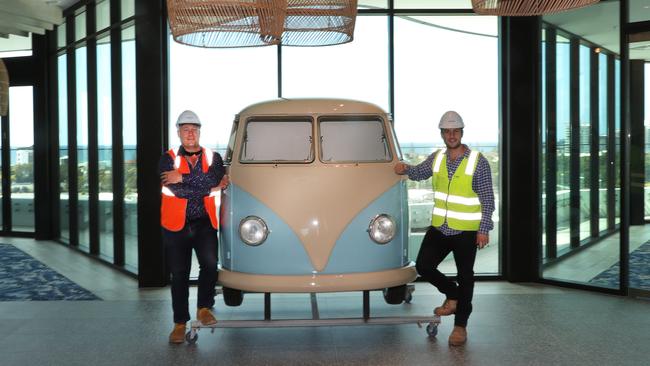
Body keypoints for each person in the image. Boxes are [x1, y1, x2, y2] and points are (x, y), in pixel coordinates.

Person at [394, 111, 495, 346]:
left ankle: (460, 327)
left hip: (466, 231)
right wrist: (404, 168)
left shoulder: (477, 161)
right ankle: (454, 296)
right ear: (442, 134)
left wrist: (484, 228)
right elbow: (419, 172)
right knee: (424, 266)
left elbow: (487, 197)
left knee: (466, 276)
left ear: (462, 132)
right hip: (440, 227)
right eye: (447, 131)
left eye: (455, 131)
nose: (451, 135)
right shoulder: (437, 158)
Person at [159, 110, 227, 344]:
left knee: (210, 265)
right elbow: (177, 190)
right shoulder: (167, 158)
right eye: (185, 129)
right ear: (178, 132)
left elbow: (216, 179)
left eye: (194, 129)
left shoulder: (213, 157)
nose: (190, 133)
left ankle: (204, 308)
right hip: (176, 225)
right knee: (179, 275)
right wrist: (209, 186)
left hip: (205, 222)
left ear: (199, 131)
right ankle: (179, 323)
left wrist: (185, 179)